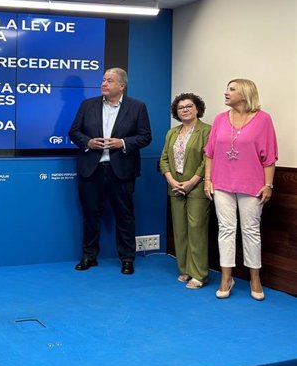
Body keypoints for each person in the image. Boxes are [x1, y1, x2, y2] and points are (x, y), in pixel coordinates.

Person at [69, 67, 152, 274]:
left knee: (125, 216)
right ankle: (89, 256)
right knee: (90, 215)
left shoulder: (137, 107)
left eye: (109, 81)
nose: (104, 84)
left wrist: (122, 142)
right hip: (92, 170)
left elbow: (145, 136)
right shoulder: (87, 105)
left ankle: (127, 259)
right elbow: (74, 132)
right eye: (103, 80)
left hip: (121, 171)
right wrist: (88, 142)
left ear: (121, 86)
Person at [204, 79, 277, 301]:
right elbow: (210, 152)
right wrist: (208, 180)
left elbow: (270, 156)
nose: (226, 93)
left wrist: (268, 184)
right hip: (222, 183)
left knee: (251, 231)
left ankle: (255, 278)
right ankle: (227, 277)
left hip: (252, 184)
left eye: (231, 89)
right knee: (225, 230)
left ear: (245, 94)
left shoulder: (263, 120)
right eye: (227, 88)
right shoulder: (219, 119)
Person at [159, 93, 211, 289]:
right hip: (175, 186)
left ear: (198, 108)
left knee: (197, 229)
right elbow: (164, 159)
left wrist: (192, 181)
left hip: (197, 187)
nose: (185, 110)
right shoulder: (172, 133)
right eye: (181, 108)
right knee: (179, 230)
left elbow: (208, 159)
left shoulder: (207, 131)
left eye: (189, 106)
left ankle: (199, 274)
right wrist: (171, 180)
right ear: (176, 112)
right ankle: (185, 269)